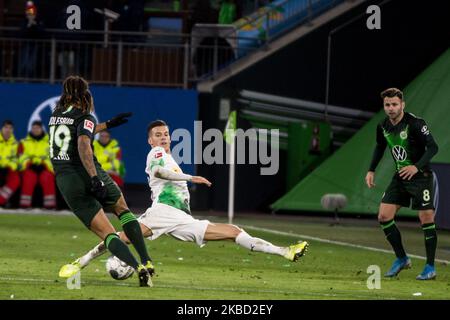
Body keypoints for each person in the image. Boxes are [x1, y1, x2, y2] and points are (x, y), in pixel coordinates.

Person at [59, 119, 309, 277]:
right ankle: (80, 263)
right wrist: (190, 178)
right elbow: (158, 172)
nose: (163, 137)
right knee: (120, 238)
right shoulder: (156, 153)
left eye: (166, 133)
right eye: (158, 134)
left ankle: (284, 251)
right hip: (163, 212)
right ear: (150, 140)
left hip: (181, 218)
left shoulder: (169, 155)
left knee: (233, 231)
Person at [50, 75, 154, 287]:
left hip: (66, 181)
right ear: (83, 93)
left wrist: (108, 124)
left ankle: (138, 268)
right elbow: (83, 144)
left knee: (107, 234)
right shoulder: (85, 115)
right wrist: (95, 178)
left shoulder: (56, 115)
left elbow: (78, 130)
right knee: (123, 211)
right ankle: (147, 261)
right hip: (90, 173)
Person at [365, 88, 439, 280]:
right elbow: (380, 147)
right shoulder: (383, 126)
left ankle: (430, 267)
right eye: (387, 105)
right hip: (400, 177)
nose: (391, 108)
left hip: (421, 176)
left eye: (394, 104)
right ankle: (402, 258)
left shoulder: (415, 123)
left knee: (427, 219)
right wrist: (371, 170)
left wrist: (416, 166)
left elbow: (433, 147)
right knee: (383, 216)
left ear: (402, 105)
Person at [18, 121, 56, 209]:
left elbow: (52, 157)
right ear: (31, 129)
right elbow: (21, 157)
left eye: (37, 128)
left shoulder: (50, 142)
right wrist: (29, 164)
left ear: (41, 129)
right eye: (34, 128)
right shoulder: (24, 142)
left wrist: (44, 165)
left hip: (45, 168)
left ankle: (50, 205)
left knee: (47, 177)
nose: (35, 130)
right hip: (30, 167)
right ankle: (24, 204)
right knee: (29, 177)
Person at [0, 120, 20, 207]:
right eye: (6, 127)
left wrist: (9, 166)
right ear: (2, 128)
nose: (8, 130)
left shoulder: (16, 144)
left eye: (10, 128)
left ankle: (1, 200)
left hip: (8, 169)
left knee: (16, 178)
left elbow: (17, 160)